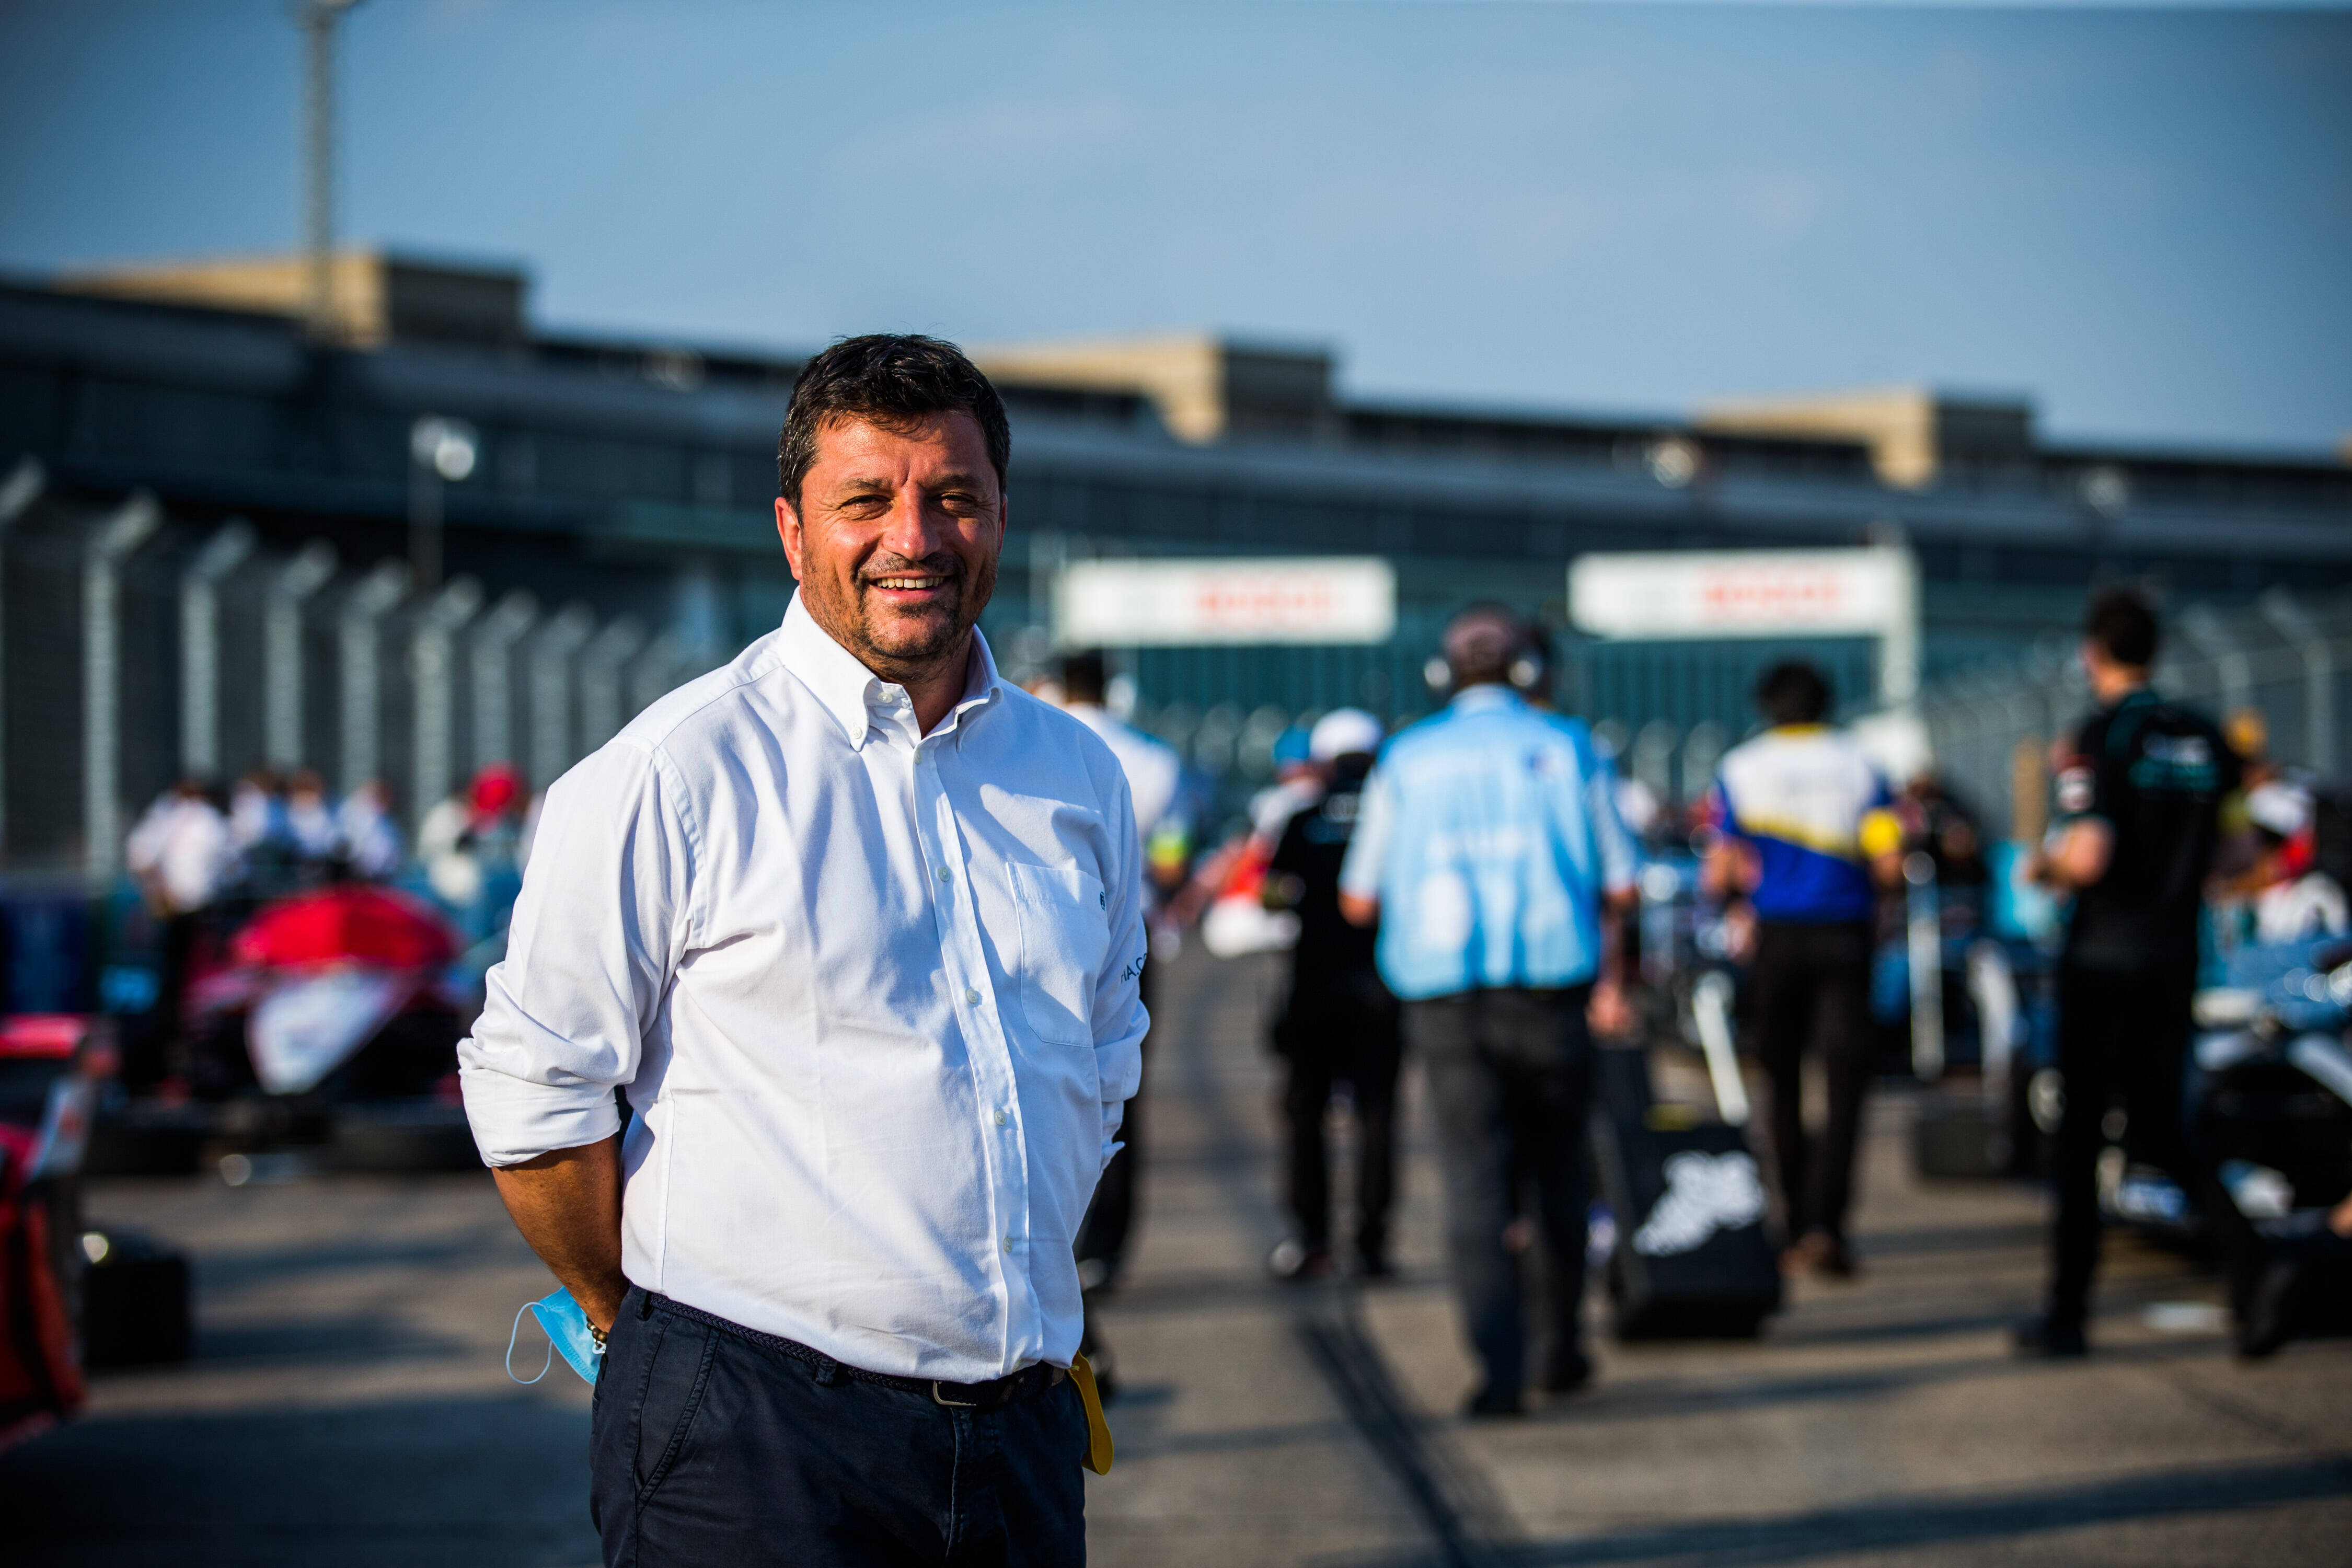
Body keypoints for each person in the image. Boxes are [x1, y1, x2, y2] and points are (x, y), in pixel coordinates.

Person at [460, 335, 1143, 1565]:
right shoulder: (674, 772)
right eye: (865, 500)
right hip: (753, 1443)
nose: (914, 536)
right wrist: (645, 1327)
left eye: (952, 497)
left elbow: (1101, 1048)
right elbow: (533, 1094)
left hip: (1022, 1432)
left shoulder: (1077, 774)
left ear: (999, 517)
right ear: (790, 530)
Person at [1338, 605, 1636, 1416]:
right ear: (1526, 673)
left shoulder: (1406, 758)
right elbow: (1625, 882)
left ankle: (1498, 1371)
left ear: (1444, 676)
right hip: (1551, 988)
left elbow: (1359, 898)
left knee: (1473, 1183)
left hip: (1446, 999)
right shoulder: (1573, 747)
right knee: (1558, 1173)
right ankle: (1560, 1346)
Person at [2016, 589, 2240, 1358]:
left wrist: (2041, 864)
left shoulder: (2101, 737)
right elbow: (2237, 857)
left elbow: (2088, 856)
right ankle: (2253, 1266)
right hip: (2177, 953)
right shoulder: (2207, 738)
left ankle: (2066, 1315)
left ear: (2093, 654)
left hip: (2104, 957)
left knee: (2081, 1135)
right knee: (2162, 1126)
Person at [1701, 661, 1903, 1279]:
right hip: (1845, 933)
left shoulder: (1740, 766)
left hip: (1776, 939)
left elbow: (1722, 869)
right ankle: (1828, 1225)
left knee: (1781, 1084)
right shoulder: (1863, 764)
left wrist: (1734, 908)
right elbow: (1890, 864)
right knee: (1846, 1088)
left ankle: (1789, 1229)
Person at [1054, 649, 1188, 1389]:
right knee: (1120, 1089)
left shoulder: (1031, 739)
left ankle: (1058, 1240)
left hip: (1049, 942)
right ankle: (1105, 1246)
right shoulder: (1155, 762)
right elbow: (1170, 860)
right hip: (1131, 940)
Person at [1263, 707, 1398, 1282]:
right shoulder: (1396, 820)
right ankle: (1370, 1244)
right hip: (1383, 985)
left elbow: (1271, 893)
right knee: (1377, 1116)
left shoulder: (1302, 817)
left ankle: (1312, 1238)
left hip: (1314, 985)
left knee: (1304, 1114)